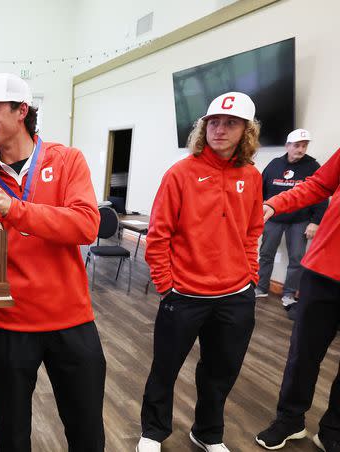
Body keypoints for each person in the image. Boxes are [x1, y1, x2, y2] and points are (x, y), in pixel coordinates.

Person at [0, 73, 106, 451]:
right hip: (9, 322)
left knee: (87, 430)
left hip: (71, 321)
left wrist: (14, 208)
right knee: (11, 434)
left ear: (22, 110)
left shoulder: (67, 159)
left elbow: (87, 225)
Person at [136, 92, 263, 452]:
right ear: (204, 127)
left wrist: (250, 274)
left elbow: (254, 228)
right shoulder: (181, 173)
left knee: (220, 373)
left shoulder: (251, 176)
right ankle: (153, 432)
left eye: (231, 123)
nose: (220, 129)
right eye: (214, 122)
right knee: (165, 369)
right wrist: (166, 285)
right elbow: (158, 234)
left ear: (246, 131)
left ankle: (207, 433)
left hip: (236, 296)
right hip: (185, 295)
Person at [255, 147, 340, 452]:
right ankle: (290, 420)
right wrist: (276, 203)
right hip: (325, 272)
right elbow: (318, 185)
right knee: (303, 353)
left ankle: (334, 430)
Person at [256, 128, 327, 316]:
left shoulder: (313, 166)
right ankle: (261, 288)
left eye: (304, 146)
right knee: (265, 254)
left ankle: (288, 294)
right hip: (274, 219)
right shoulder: (274, 165)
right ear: (287, 146)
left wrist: (315, 222)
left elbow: (321, 196)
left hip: (300, 221)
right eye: (297, 145)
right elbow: (260, 191)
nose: (301, 149)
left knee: (296, 259)